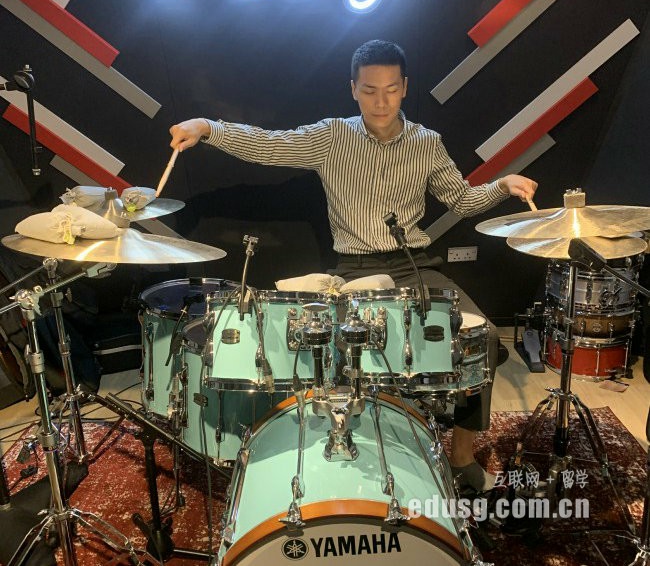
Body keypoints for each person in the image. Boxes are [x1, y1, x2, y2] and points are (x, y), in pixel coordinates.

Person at [169, 39, 537, 492]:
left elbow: (461, 200)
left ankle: (460, 458)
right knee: (353, 353)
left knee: (483, 339)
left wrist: (501, 185)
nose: (381, 102)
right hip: (353, 269)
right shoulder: (332, 137)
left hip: (414, 264)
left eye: (391, 90)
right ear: (353, 89)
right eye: (369, 90)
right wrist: (208, 127)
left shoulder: (427, 143)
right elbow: (270, 145)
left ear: (405, 87)